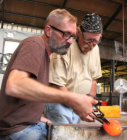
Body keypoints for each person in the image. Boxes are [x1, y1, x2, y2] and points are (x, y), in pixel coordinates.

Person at [0, 9, 98, 140]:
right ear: (48, 31)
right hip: (16, 131)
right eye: (66, 34)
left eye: (72, 36)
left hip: (31, 124)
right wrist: (73, 99)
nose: (70, 41)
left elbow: (23, 106)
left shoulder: (46, 57)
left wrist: (42, 120)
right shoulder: (34, 44)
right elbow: (14, 85)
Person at [44, 13, 102, 124]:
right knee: (61, 135)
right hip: (59, 103)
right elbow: (57, 84)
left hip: (78, 104)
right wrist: (78, 104)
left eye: (95, 41)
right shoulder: (65, 46)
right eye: (88, 40)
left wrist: (88, 101)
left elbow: (94, 79)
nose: (91, 45)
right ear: (79, 33)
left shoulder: (96, 49)